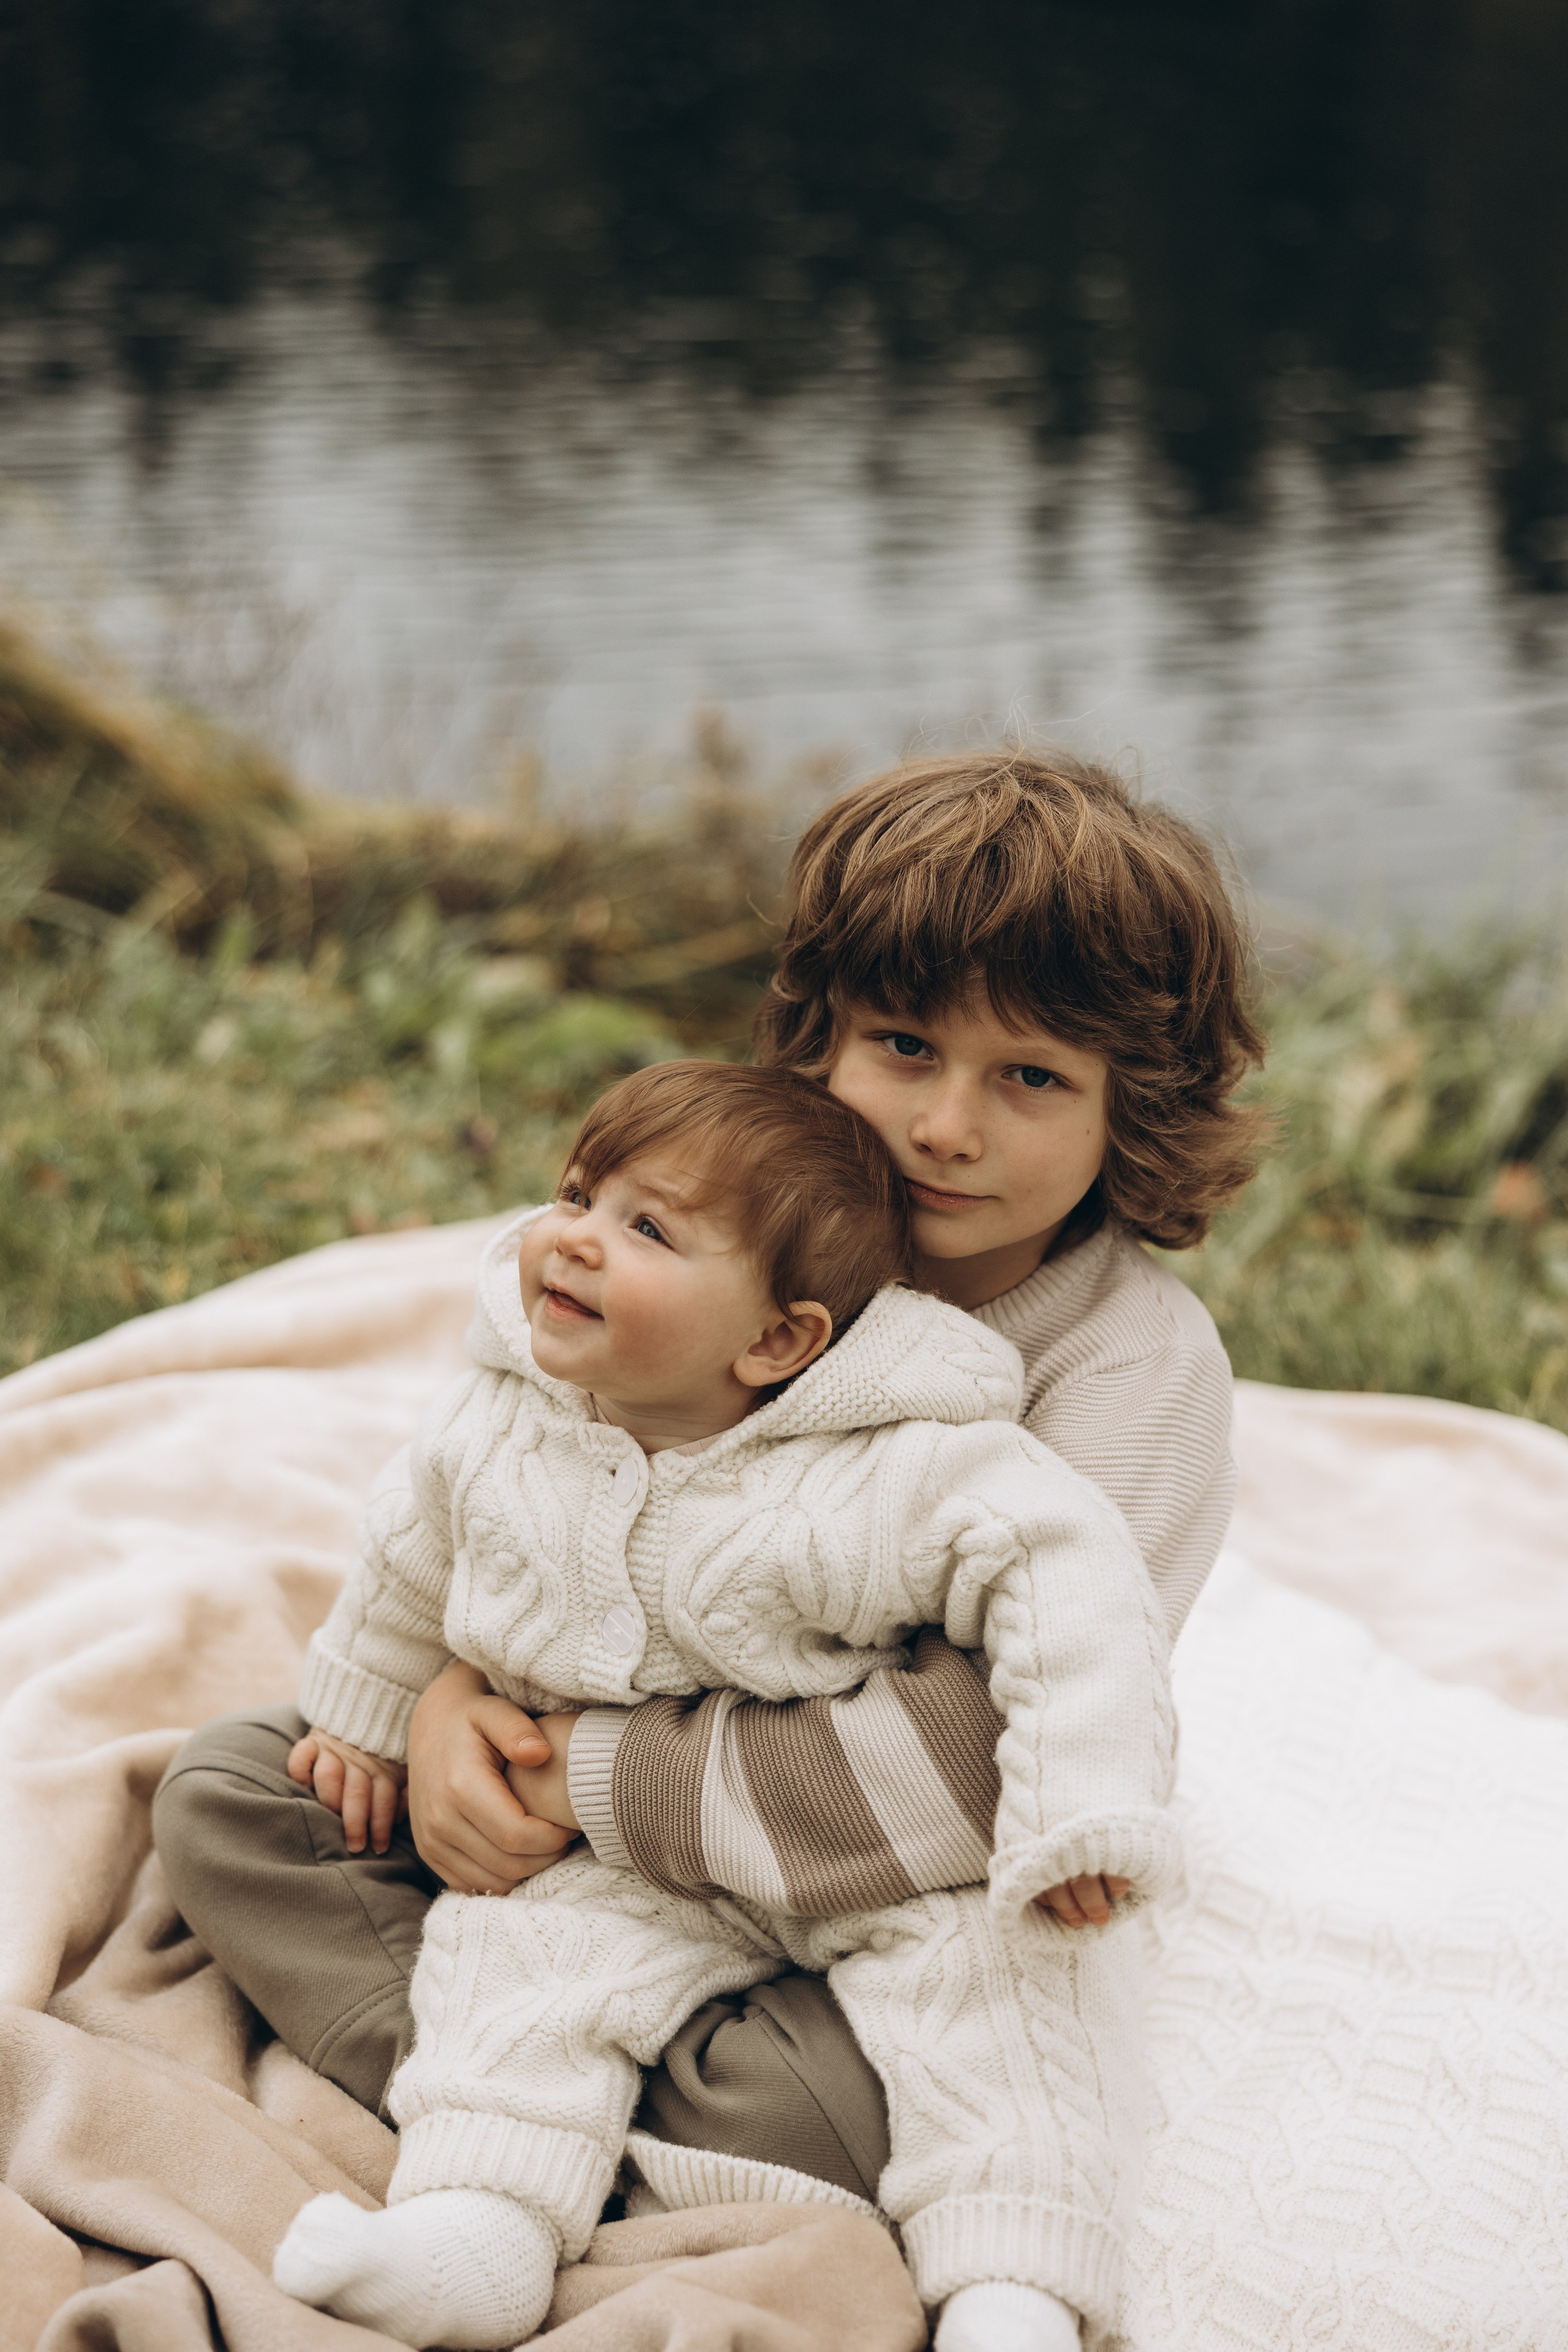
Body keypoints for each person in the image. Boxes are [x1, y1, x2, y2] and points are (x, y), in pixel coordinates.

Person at [153, 748, 1265, 2326]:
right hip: (599, 1856)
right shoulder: (722, 1239)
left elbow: (973, 1758)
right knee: (225, 1798)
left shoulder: (1127, 1376)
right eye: (901, 1046)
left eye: (1030, 1078)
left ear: (1127, 1109)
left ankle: (564, 2112)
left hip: (889, 1888)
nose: (945, 1127)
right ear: (820, 1034)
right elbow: (539, 1496)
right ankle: (555, 2106)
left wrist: (576, 1776)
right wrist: (445, 1703)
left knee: (872, 2083)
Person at [265, 1058, 1181, 2351]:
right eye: (579, 1195)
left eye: (644, 1230)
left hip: (882, 1865)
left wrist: (1080, 1805)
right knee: (510, 1967)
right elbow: (410, 1554)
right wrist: (380, 1716)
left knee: (1010, 2007)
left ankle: (1009, 2295)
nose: (574, 1238)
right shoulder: (505, 1419)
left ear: (775, 1338)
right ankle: (476, 2233)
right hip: (616, 1863)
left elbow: (1067, 1577)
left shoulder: (885, 1463)